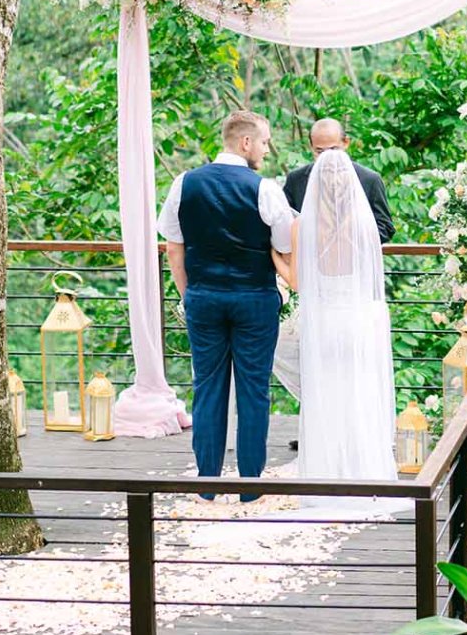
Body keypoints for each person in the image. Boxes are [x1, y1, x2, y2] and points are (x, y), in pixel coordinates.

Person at [158, 110, 296, 501]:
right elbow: (285, 245)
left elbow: (173, 247)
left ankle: (207, 484)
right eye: (265, 142)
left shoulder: (184, 183)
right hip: (254, 298)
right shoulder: (265, 188)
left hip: (203, 296)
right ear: (246, 142)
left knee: (207, 387)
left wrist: (189, 294)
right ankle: (250, 487)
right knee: (254, 389)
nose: (267, 150)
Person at [276, 148, 400, 509]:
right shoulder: (363, 225)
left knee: (326, 396)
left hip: (326, 321)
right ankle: (363, 471)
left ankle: (328, 473)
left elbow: (297, 282)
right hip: (360, 320)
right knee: (358, 394)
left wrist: (273, 258)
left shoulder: (304, 226)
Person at [282, 119, 393, 243]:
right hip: (310, 260)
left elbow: (386, 228)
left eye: (333, 149)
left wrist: (348, 240)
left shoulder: (370, 180)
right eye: (320, 151)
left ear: (346, 143)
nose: (327, 157)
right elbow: (285, 224)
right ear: (311, 147)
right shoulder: (296, 179)